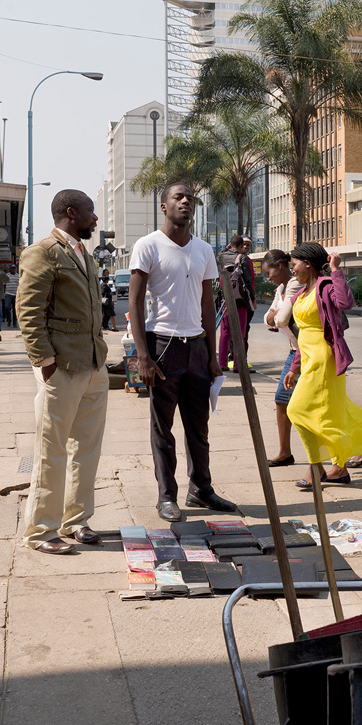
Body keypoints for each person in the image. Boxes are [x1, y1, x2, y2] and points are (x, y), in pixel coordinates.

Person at [131, 183, 236, 521]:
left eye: (190, 198)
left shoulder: (204, 250)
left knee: (198, 426)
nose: (186, 201)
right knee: (163, 428)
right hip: (163, 346)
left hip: (196, 349)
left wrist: (212, 353)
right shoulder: (148, 246)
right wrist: (142, 356)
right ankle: (166, 496)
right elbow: (134, 302)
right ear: (163, 206)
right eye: (178, 197)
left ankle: (201, 489)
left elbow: (208, 302)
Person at [17, 189, 109, 552]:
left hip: (93, 366)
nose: (95, 218)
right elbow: (29, 311)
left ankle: (76, 520)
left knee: (87, 449)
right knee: (50, 450)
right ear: (72, 213)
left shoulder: (83, 253)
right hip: (62, 368)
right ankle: (40, 531)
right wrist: (45, 363)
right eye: (90, 212)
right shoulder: (42, 252)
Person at [281, 243, 362, 489]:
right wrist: (294, 367)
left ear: (308, 264)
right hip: (308, 359)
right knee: (332, 411)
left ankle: (315, 467)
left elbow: (345, 303)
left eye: (294, 264)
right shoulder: (302, 293)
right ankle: (339, 468)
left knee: (296, 411)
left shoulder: (326, 286)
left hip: (324, 361)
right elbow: (304, 335)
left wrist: (335, 270)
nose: (292, 270)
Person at [262, 249, 303, 467]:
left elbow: (279, 319)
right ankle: (285, 452)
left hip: (304, 351)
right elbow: (268, 317)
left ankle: (356, 447)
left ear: (280, 266)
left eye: (269, 272)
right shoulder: (281, 288)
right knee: (281, 400)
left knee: (318, 406)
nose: (267, 278)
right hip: (294, 350)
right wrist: (275, 317)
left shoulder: (295, 284)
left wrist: (275, 317)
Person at [218, 234, 255, 372]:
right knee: (240, 332)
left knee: (225, 332)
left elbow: (218, 257)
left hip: (225, 299)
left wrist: (225, 249)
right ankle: (237, 365)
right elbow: (248, 281)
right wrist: (253, 299)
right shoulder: (242, 258)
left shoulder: (221, 257)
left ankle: (222, 363)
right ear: (240, 246)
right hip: (240, 299)